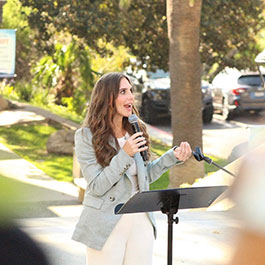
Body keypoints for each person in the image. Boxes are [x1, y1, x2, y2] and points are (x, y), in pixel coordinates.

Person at [72, 72, 192, 265]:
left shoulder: (136, 129)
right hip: (106, 222)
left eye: (131, 91)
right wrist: (124, 155)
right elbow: (96, 186)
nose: (130, 97)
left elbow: (144, 176)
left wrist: (172, 157)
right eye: (123, 91)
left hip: (140, 220)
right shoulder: (86, 136)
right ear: (107, 98)